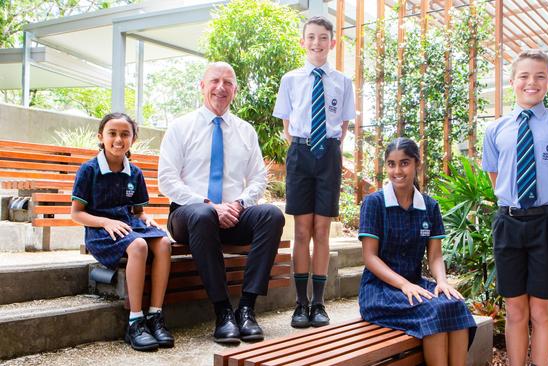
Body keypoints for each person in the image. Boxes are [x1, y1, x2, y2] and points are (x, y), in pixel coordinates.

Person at [158, 62, 285, 345]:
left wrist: (239, 204)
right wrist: (209, 205)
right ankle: (223, 312)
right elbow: (167, 180)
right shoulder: (181, 128)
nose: (221, 87)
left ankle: (247, 309)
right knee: (203, 215)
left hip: (233, 214)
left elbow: (258, 178)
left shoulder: (245, 131)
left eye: (228, 82)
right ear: (202, 86)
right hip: (188, 216)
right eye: (214, 81)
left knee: (271, 215)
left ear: (235, 90)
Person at [482, 49, 548, 366]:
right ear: (512, 81)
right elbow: (495, 176)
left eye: (540, 76)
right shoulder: (495, 129)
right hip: (509, 224)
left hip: (547, 224)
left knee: (542, 310)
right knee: (514, 309)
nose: (532, 82)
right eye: (524, 76)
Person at [358, 138, 476, 366]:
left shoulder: (429, 206)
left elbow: (435, 255)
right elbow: (370, 258)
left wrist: (441, 281)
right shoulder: (374, 203)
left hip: (415, 286)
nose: (397, 170)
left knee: (455, 304)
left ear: (416, 164)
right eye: (391, 164)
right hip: (378, 292)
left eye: (404, 163)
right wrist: (403, 285)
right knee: (434, 310)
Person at [273, 16, 356, 328]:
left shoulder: (342, 82)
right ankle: (300, 303)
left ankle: (319, 303)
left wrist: (327, 148)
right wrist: (304, 148)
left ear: (332, 43)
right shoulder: (290, 79)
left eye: (323, 37)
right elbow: (286, 126)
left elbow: (343, 126)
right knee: (302, 230)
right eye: (311, 37)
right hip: (300, 153)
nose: (317, 43)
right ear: (302, 42)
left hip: (329, 154)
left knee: (322, 230)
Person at [71, 112, 174, 352]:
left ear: (133, 139)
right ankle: (135, 321)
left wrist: (147, 219)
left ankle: (155, 315)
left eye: (125, 134)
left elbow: (137, 212)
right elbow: (76, 214)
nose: (119, 139)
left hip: (128, 225)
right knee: (138, 246)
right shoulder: (88, 170)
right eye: (112, 134)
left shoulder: (135, 173)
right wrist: (106, 222)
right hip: (100, 230)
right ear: (101, 137)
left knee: (164, 243)